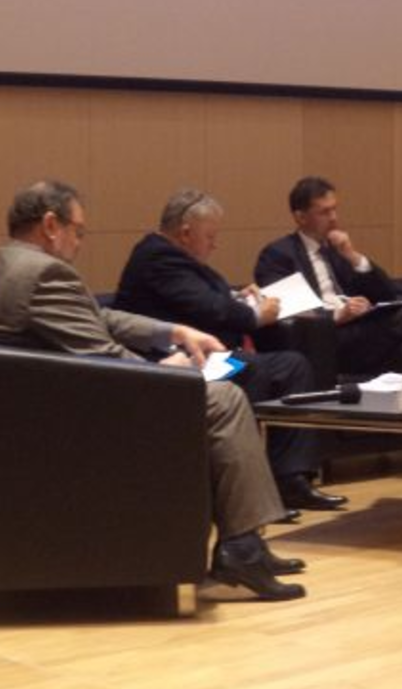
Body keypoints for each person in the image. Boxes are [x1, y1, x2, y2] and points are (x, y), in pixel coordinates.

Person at [0, 179, 306, 601]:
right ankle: (243, 549)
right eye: (79, 230)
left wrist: (173, 331)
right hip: (81, 411)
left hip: (61, 396)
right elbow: (101, 354)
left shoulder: (16, 263)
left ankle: (245, 546)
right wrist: (162, 371)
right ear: (50, 225)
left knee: (222, 386)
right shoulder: (43, 273)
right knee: (224, 397)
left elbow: (101, 319)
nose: (80, 241)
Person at [114, 187, 346, 513]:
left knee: (290, 366)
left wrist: (239, 296)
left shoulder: (173, 256)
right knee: (259, 368)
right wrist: (256, 314)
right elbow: (208, 307)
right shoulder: (159, 258)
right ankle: (258, 488)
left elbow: (210, 298)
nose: (215, 244)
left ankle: (289, 479)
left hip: (208, 358)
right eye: (210, 236)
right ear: (185, 233)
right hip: (173, 366)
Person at [254, 176, 402, 485]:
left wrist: (353, 257)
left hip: (359, 337)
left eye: (335, 209)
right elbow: (284, 310)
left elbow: (386, 292)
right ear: (300, 217)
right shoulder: (278, 255)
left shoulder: (336, 252)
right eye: (324, 211)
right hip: (324, 343)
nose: (334, 218)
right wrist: (336, 315)